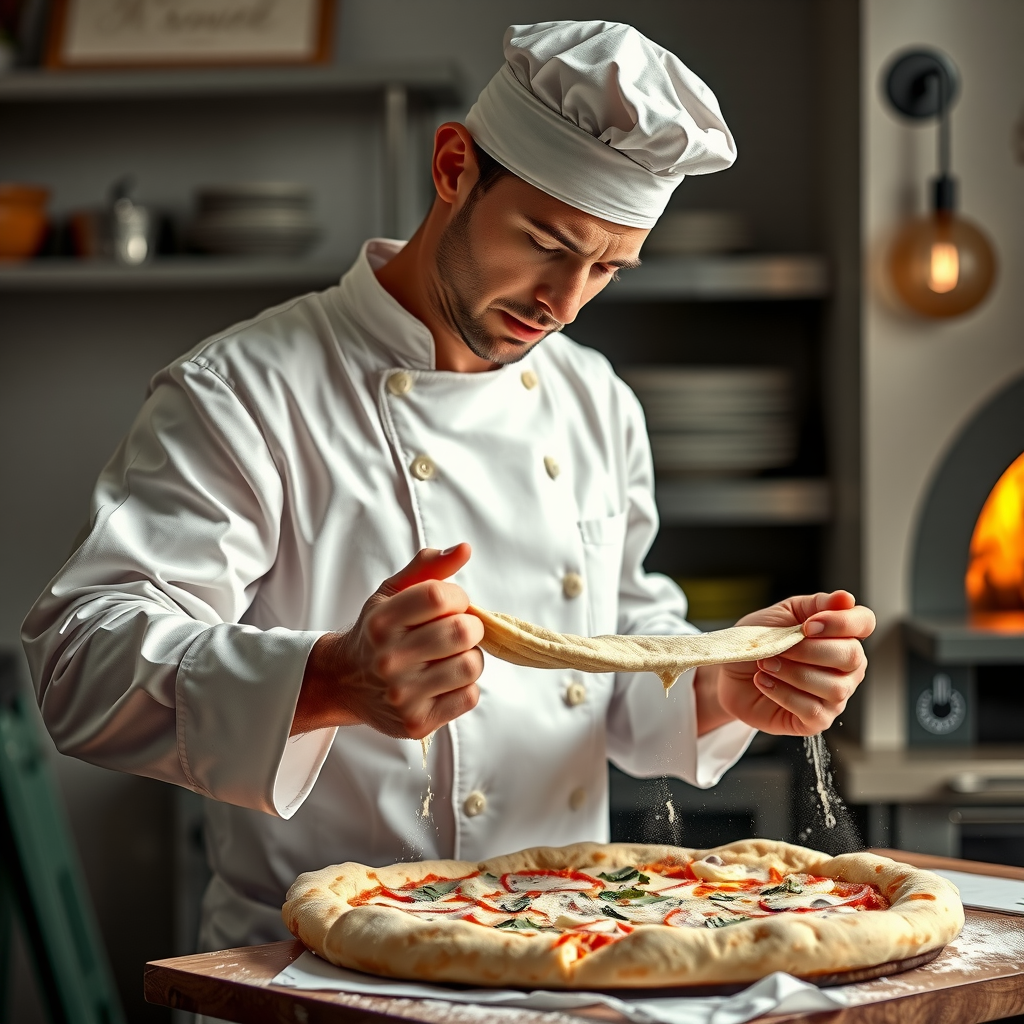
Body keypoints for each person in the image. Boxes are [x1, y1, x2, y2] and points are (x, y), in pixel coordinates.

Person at [22, 20, 875, 954]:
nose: (564, 301)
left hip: (558, 952)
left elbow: (616, 656)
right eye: (547, 242)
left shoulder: (595, 399)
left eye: (606, 269)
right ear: (454, 165)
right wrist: (328, 681)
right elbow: (77, 663)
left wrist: (729, 679)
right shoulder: (244, 392)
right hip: (318, 972)